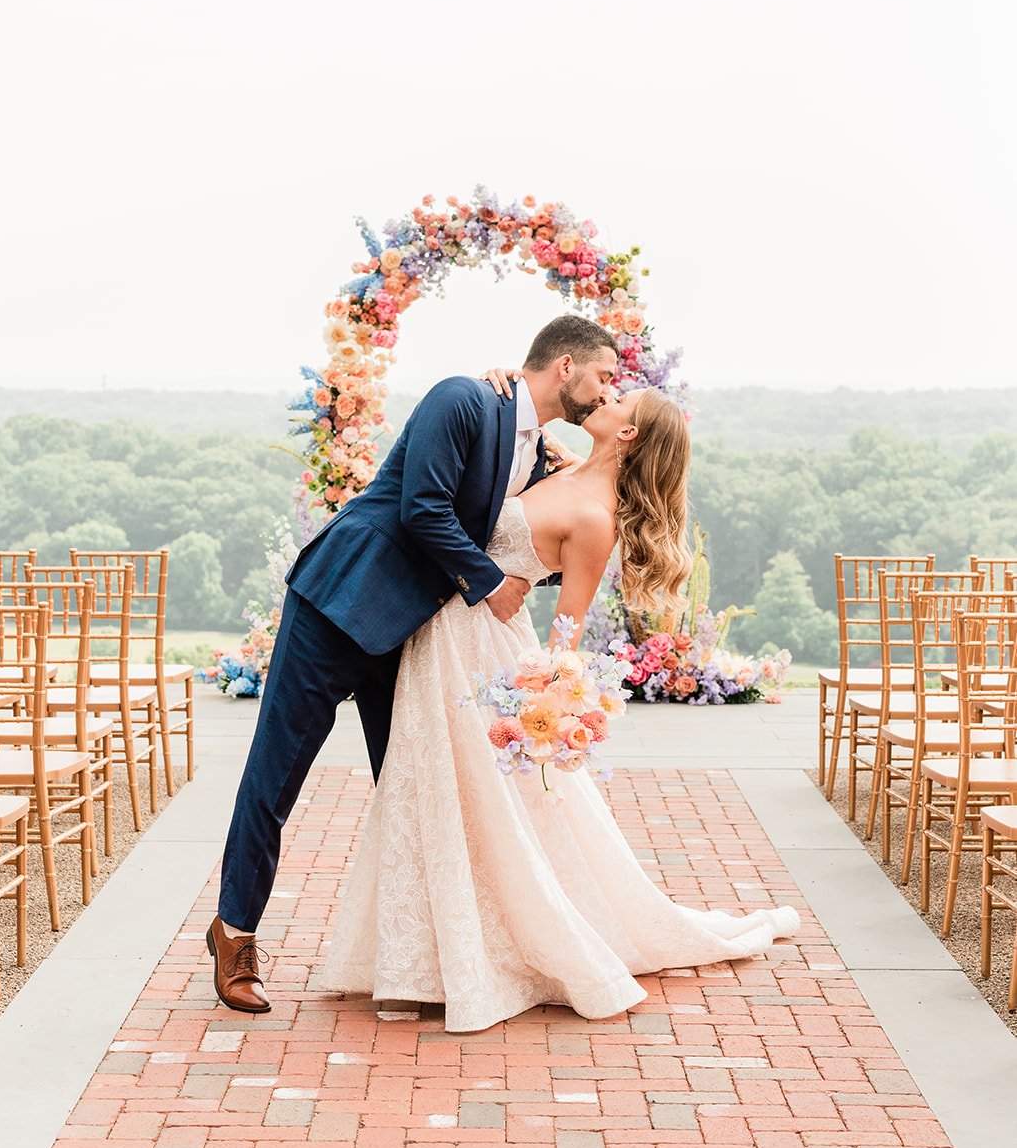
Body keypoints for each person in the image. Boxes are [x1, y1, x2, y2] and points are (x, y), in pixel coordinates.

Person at [317, 379, 800, 1032]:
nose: (606, 397)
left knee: (473, 799)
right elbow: (513, 421)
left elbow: (566, 631)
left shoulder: (596, 518)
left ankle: (475, 954)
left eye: (620, 401)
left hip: (485, 653)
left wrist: (545, 702)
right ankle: (416, 958)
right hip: (443, 632)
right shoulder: (559, 464)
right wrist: (501, 379)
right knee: (426, 786)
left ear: (628, 432)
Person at [207, 314, 619, 1013]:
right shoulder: (462, 398)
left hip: (415, 635)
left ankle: (427, 953)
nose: (611, 389)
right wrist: (491, 587)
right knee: (275, 776)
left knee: (413, 787)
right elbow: (423, 507)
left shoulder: (540, 453)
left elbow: (532, 532)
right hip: (341, 604)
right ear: (566, 366)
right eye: (605, 375)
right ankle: (235, 933)